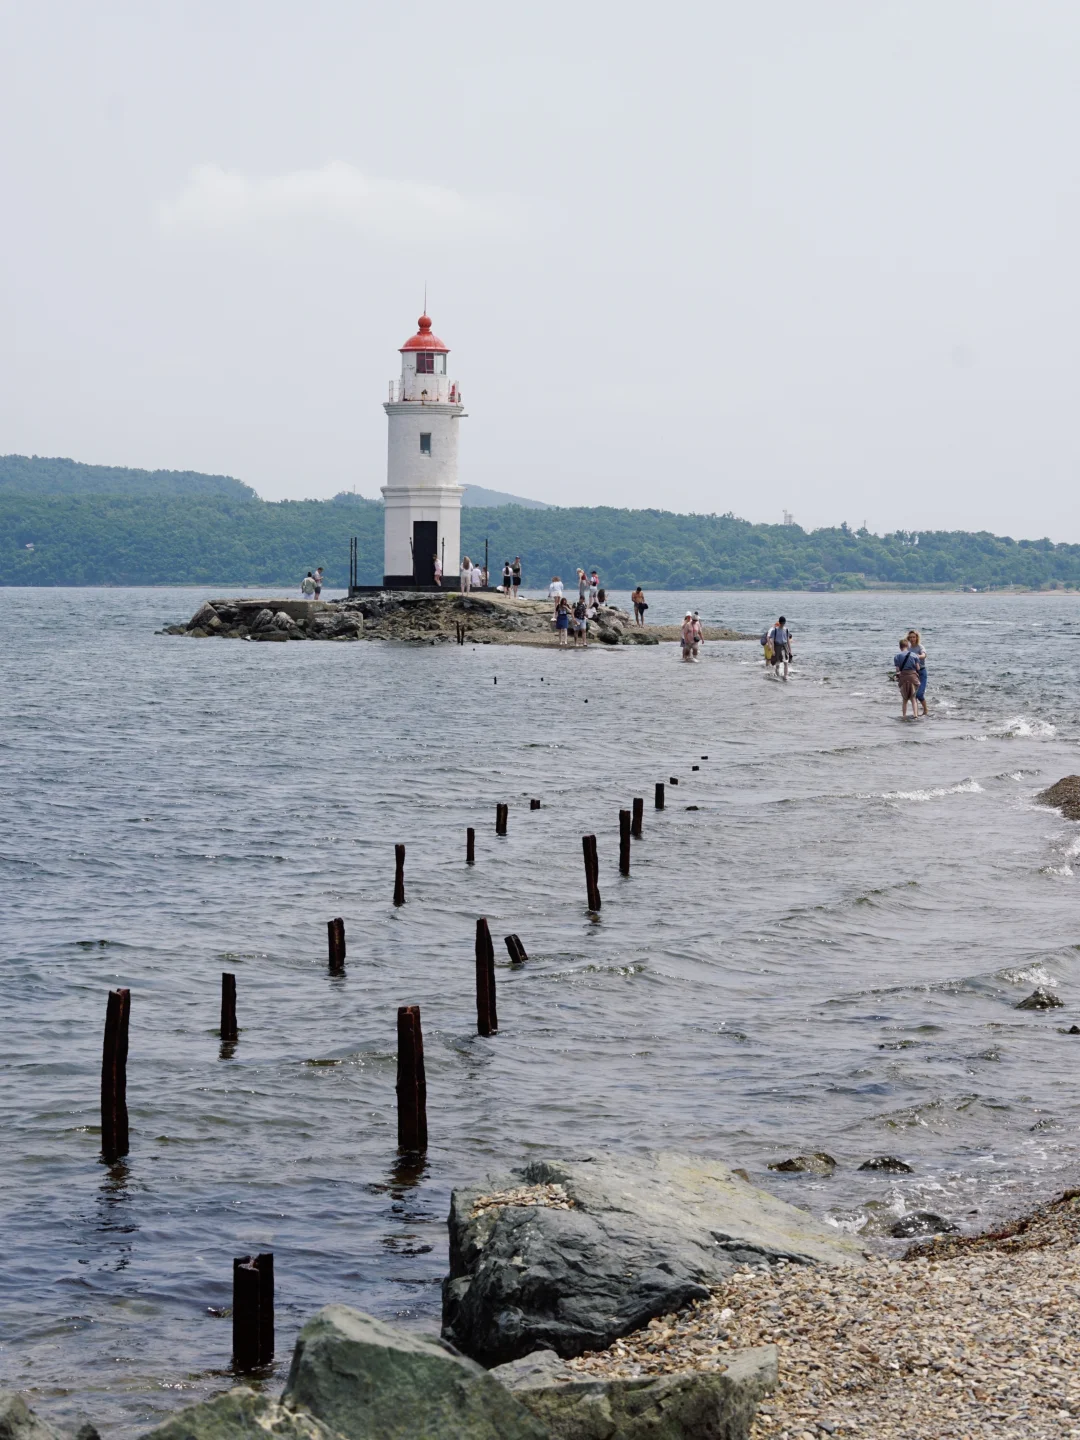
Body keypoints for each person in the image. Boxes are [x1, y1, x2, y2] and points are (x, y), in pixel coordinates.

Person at [894, 636, 921, 719]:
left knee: (905, 698)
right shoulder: (914, 655)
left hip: (903, 677)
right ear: (908, 646)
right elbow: (918, 668)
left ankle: (904, 715)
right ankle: (915, 715)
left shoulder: (897, 657)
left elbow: (898, 670)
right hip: (913, 676)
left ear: (900, 647)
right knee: (913, 697)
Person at [907, 629, 929, 715]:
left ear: (917, 638)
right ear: (908, 638)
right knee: (913, 695)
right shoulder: (908, 648)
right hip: (912, 673)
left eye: (914, 637)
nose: (912, 639)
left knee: (919, 694)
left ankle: (926, 710)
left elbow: (924, 655)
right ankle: (915, 713)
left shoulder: (920, 647)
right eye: (911, 637)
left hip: (922, 672)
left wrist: (918, 656)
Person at [767, 615, 792, 680]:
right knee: (777, 663)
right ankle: (777, 676)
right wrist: (773, 650)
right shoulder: (774, 630)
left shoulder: (786, 630)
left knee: (785, 661)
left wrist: (790, 650)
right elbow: (772, 641)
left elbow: (787, 640)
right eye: (782, 623)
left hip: (784, 646)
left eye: (784, 623)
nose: (783, 624)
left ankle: (785, 676)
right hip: (777, 646)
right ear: (780, 623)